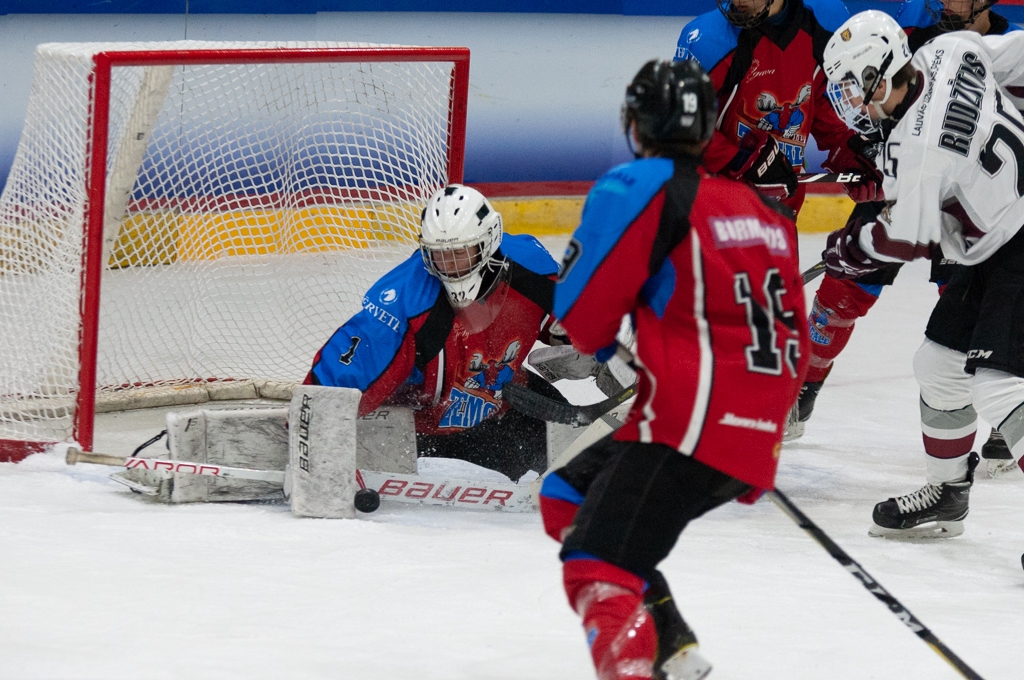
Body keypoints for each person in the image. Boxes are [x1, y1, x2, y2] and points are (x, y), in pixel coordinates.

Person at [538, 59, 807, 680]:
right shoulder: (759, 210)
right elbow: (792, 335)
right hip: (743, 423)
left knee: (595, 564)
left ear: (634, 124)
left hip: (688, 422)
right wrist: (755, 442)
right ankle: (674, 650)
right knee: (564, 498)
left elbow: (579, 315)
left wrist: (607, 343)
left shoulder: (636, 188)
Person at [819, 10, 1024, 537]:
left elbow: (900, 240)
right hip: (994, 244)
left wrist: (851, 246)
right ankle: (949, 495)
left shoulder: (920, 151)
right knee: (939, 367)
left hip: (1018, 240)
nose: (848, 104)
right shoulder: (951, 50)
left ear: (881, 75)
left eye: (851, 88)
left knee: (1000, 388)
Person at [673, 0, 885, 442]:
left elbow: (828, 113)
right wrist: (745, 158)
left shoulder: (823, 26)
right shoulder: (708, 41)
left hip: (777, 208)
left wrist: (852, 157)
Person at [305, 184, 569, 482]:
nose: (451, 267)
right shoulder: (404, 303)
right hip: (427, 434)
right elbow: (334, 382)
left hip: (503, 403)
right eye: (441, 256)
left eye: (461, 253)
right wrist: (319, 441)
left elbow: (575, 316)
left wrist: (587, 340)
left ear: (489, 241)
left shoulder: (531, 266)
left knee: (581, 454)